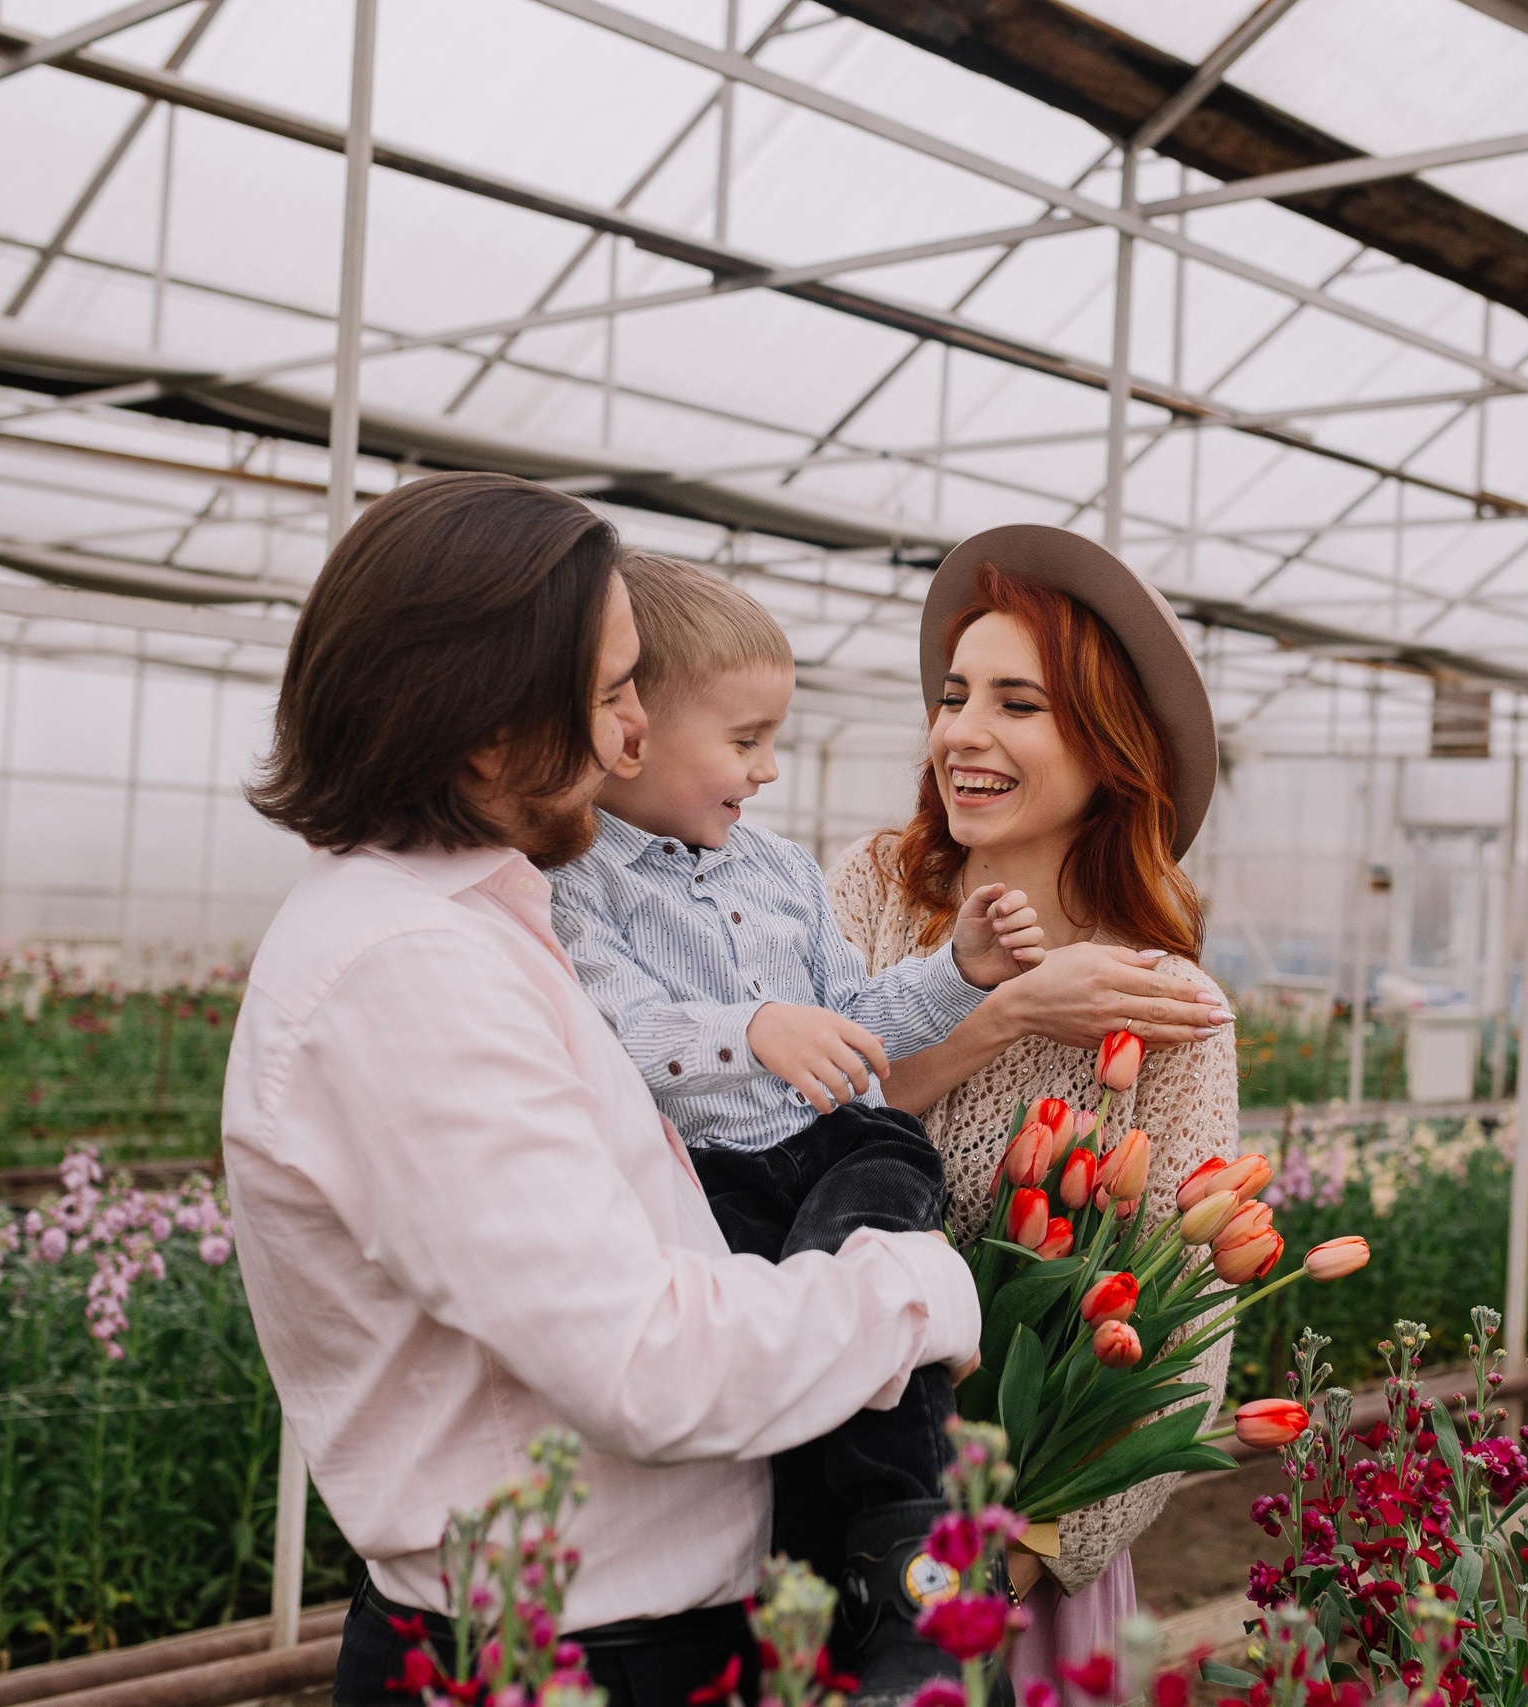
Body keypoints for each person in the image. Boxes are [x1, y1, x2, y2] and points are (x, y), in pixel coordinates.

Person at [219, 472, 981, 1707]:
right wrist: (921, 1286)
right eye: (615, 691)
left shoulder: (477, 923)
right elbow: (645, 1363)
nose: (636, 734)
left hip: (621, 1639)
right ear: (487, 728)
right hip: (559, 1663)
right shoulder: (407, 974)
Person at [544, 553, 1042, 1702]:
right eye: (745, 740)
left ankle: (909, 1552)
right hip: (711, 1176)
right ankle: (829, 1586)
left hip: (838, 1144)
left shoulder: (781, 874)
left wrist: (956, 971)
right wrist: (749, 1029)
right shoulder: (578, 884)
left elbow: (856, 1020)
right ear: (631, 730)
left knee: (880, 1264)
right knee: (780, 1378)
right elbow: (621, 1034)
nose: (767, 771)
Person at [826, 525, 1241, 1698]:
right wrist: (1000, 1017)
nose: (962, 731)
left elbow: (1183, 1336)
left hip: (1017, 1557)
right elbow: (776, 1130)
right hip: (812, 1492)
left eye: (1018, 704)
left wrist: (1030, 1552)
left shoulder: (1169, 1009)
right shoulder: (869, 895)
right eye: (955, 696)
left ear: (1111, 750)